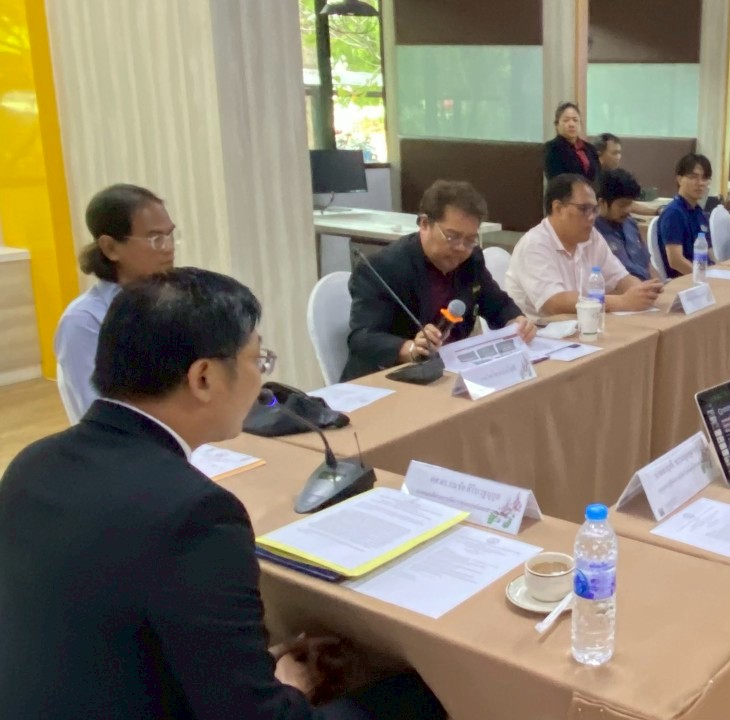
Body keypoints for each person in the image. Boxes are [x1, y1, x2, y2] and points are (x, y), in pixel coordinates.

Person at [0, 268, 445, 719]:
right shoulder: (194, 513)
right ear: (204, 378)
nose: (262, 377)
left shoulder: (31, 463)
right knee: (417, 692)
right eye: (258, 360)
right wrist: (292, 686)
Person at [343, 180, 535, 381]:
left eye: (470, 240)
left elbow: (498, 304)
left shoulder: (471, 260)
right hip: (389, 378)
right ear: (424, 224)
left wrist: (516, 321)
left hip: (448, 372)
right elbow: (362, 337)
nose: (461, 248)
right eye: (452, 237)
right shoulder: (382, 268)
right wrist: (410, 348)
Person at [54, 184, 177, 422]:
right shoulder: (84, 320)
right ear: (110, 248)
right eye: (155, 238)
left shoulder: (174, 302)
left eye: (169, 235)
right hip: (126, 440)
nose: (168, 248)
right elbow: (94, 412)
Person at [507, 173, 663, 317]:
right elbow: (554, 303)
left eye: (594, 209)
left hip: (586, 324)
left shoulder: (592, 237)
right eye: (584, 209)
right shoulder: (534, 244)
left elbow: (620, 278)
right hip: (543, 331)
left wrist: (641, 293)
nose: (592, 217)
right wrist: (622, 302)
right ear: (558, 208)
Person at [655, 153, 714, 277]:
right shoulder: (673, 213)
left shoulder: (700, 212)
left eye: (704, 178)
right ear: (679, 179)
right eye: (693, 177)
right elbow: (676, 261)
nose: (700, 183)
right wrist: (705, 278)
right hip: (686, 280)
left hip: (703, 276)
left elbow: (709, 253)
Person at [595, 168, 659, 281]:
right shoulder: (593, 232)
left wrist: (660, 285)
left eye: (630, 204)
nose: (628, 210)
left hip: (648, 286)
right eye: (622, 205)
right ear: (602, 203)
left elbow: (648, 265)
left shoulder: (631, 224)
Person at [543, 102, 599, 182]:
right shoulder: (551, 148)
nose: (571, 124)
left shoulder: (590, 149)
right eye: (566, 120)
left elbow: (598, 177)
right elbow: (555, 179)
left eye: (575, 120)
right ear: (557, 125)